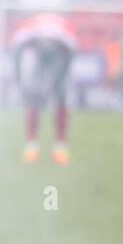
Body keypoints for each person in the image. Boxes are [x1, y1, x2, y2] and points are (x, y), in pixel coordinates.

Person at [13, 13, 77, 165]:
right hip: (39, 63)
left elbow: (71, 53)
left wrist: (60, 77)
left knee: (61, 101)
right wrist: (18, 76)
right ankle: (32, 147)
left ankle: (60, 148)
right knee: (34, 102)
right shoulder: (28, 32)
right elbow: (18, 50)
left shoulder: (64, 39)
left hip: (61, 61)